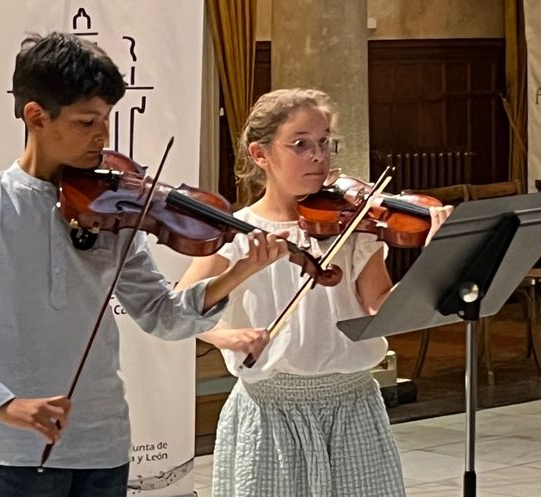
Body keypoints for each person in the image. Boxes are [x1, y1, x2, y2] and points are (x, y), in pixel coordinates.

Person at [0, 32, 281, 497]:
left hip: (105, 441)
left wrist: (237, 273)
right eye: (87, 122)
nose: (103, 136)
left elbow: (161, 316)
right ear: (36, 116)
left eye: (107, 119)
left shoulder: (113, 204)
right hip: (21, 449)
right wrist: (1, 403)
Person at [177, 88, 452, 497]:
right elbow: (182, 308)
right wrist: (227, 336)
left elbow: (380, 307)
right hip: (271, 412)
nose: (318, 156)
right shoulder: (236, 232)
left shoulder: (354, 225)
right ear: (260, 154)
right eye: (300, 144)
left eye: (324, 143)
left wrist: (437, 259)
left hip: (352, 406)